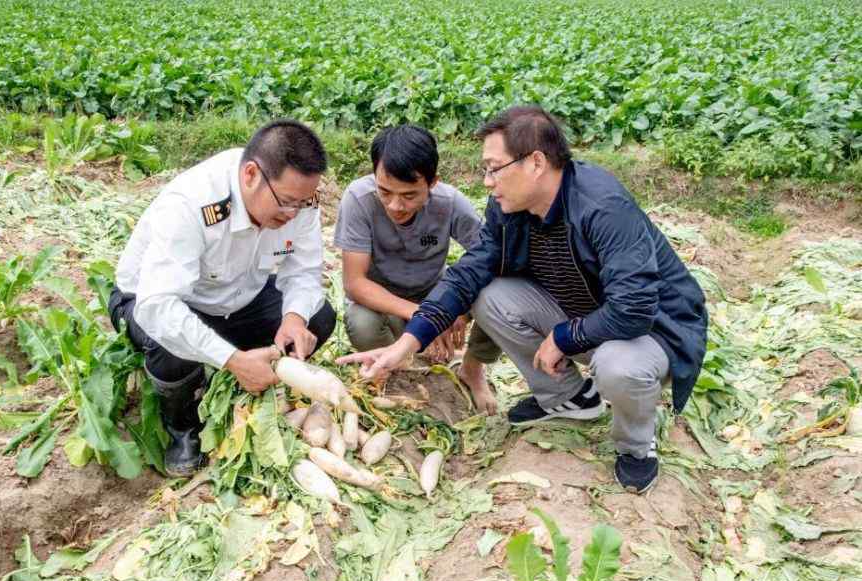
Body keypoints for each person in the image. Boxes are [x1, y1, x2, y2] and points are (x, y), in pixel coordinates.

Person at [338, 105, 708, 494]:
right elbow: (470, 271)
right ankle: (569, 399)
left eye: (493, 168)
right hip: (586, 312)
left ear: (535, 163)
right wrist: (408, 343)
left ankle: (635, 447)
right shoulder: (507, 209)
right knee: (490, 293)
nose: (486, 181)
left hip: (653, 332)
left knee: (617, 365)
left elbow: (634, 307)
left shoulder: (603, 207)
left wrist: (566, 336)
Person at [109, 119, 336, 477]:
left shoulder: (299, 203)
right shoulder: (191, 203)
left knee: (318, 317)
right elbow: (159, 308)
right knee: (171, 344)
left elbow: (304, 272)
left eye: (302, 204)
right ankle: (183, 429)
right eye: (286, 203)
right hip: (152, 301)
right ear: (250, 175)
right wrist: (231, 359)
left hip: (238, 297)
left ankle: (243, 377)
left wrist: (293, 319)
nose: (293, 214)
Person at [334, 124, 501, 413]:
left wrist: (456, 309)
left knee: (500, 288)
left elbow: (491, 259)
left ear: (433, 182)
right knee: (361, 322)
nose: (395, 205)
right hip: (386, 305)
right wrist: (430, 318)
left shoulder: (449, 203)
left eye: (409, 195)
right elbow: (355, 284)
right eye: (385, 191)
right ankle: (399, 367)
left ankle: (472, 369)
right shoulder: (358, 200)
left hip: (434, 293)